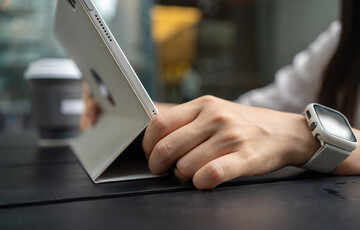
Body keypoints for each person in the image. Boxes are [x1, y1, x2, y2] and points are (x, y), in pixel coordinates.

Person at [82, 0, 360, 190]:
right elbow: (249, 112)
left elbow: (269, 125)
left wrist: (300, 136)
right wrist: (141, 109)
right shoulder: (341, 39)